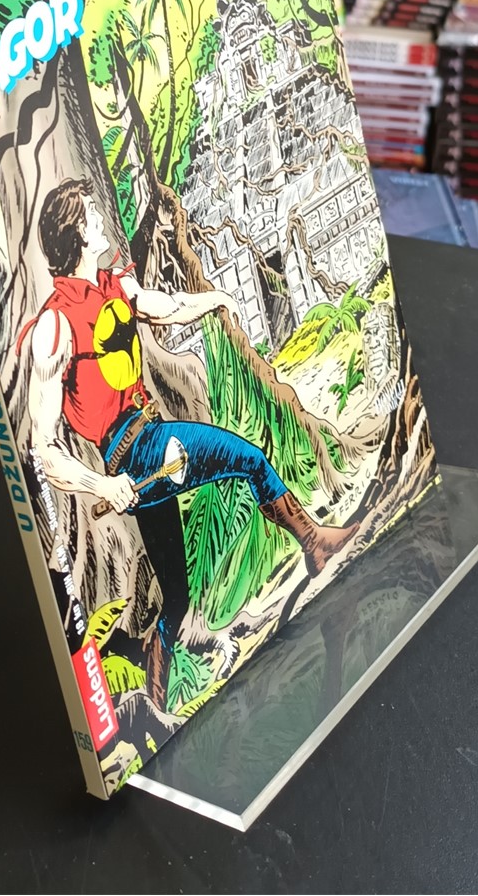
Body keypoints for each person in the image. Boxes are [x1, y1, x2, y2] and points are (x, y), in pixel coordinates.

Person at [22, 177, 361, 710]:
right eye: (92, 212)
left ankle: (155, 691)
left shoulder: (114, 285)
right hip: (139, 450)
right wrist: (101, 486)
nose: (102, 218)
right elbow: (43, 448)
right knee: (248, 459)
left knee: (176, 598)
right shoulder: (53, 328)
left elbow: (167, 306)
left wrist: (215, 298)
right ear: (78, 230)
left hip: (147, 446)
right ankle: (314, 543)